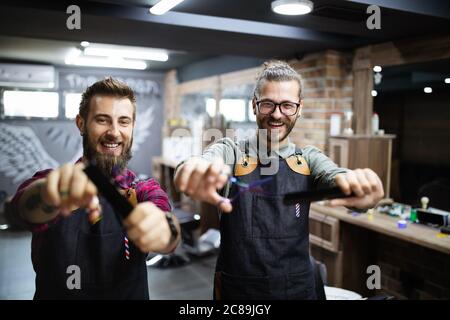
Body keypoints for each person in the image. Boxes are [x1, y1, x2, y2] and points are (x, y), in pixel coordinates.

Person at [174, 61, 384, 300]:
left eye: (287, 105)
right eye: (267, 104)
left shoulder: (308, 159)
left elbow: (335, 176)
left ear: (299, 108)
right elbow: (203, 161)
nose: (276, 114)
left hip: (298, 289)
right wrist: (191, 169)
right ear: (254, 105)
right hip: (240, 290)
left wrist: (360, 189)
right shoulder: (232, 152)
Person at [11, 77, 181, 300]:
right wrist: (49, 195)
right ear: (81, 123)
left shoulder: (143, 190)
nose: (114, 131)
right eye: (102, 120)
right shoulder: (49, 181)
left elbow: (167, 228)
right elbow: (21, 210)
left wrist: (164, 231)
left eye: (124, 121)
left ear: (132, 127)